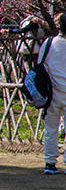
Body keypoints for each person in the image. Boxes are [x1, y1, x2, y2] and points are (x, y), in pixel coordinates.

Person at [40, 13, 66, 175]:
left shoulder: (49, 43)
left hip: (52, 93)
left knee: (50, 128)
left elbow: (40, 64)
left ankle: (50, 162)